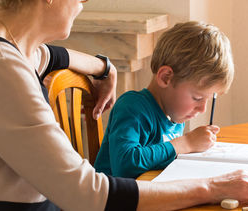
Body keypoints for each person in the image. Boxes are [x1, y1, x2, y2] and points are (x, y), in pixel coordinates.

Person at [0, 0, 248, 210]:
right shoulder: (5, 69)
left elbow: (52, 56)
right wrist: (212, 187)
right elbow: (86, 192)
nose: (82, 2)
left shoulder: (19, 48)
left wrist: (104, 68)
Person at [94, 21, 231, 178]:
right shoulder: (132, 107)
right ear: (166, 77)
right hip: (115, 200)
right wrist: (185, 143)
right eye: (197, 98)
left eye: (208, 99)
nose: (202, 109)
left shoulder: (173, 116)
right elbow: (125, 164)